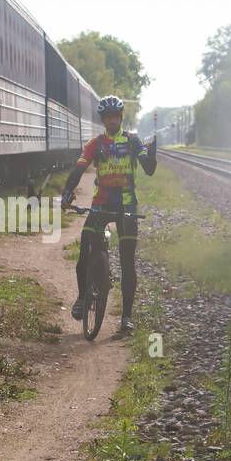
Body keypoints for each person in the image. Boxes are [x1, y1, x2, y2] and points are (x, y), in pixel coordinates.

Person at [60, 95, 157, 337]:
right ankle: (83, 298)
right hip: (100, 205)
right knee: (84, 251)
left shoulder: (133, 141)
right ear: (103, 119)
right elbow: (79, 169)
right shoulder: (96, 143)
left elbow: (149, 169)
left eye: (115, 116)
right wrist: (67, 191)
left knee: (127, 262)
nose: (111, 121)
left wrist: (151, 153)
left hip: (127, 206)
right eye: (107, 117)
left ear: (121, 117)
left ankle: (126, 318)